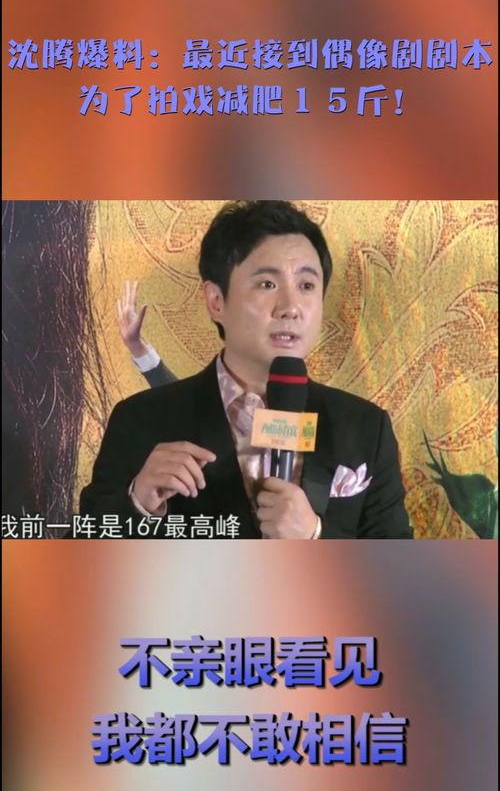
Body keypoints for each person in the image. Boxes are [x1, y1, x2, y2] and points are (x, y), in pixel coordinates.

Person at [81, 201, 413, 539]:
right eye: (267, 284)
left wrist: (315, 535)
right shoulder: (142, 419)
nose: (291, 308)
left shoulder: (365, 428)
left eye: (306, 286)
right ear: (216, 301)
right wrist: (137, 503)